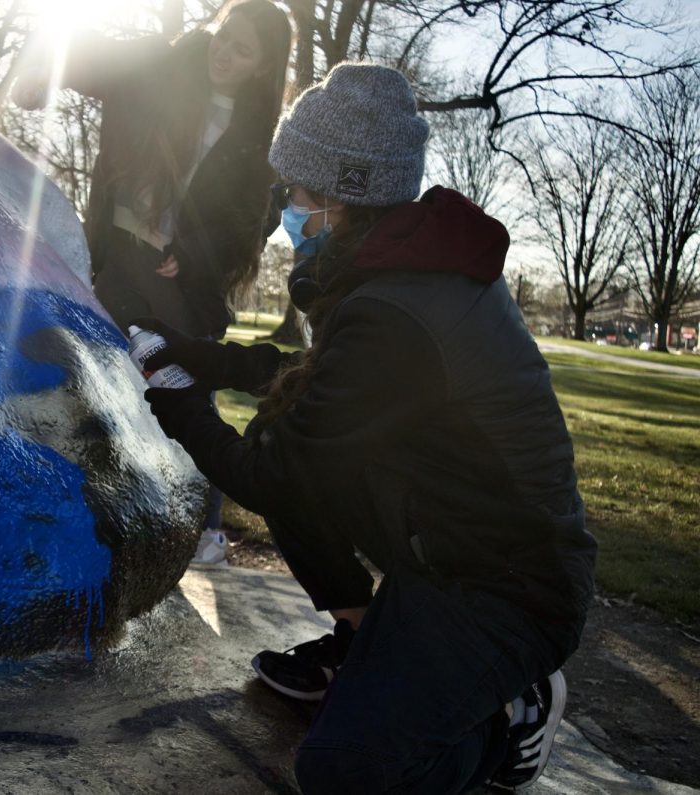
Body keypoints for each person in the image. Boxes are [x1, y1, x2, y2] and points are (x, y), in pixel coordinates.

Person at [137, 63, 597, 792]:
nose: (287, 210)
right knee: (294, 427)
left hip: (509, 588)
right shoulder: (395, 271)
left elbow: (273, 474)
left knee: (344, 770)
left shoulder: (400, 309)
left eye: (296, 193)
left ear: (342, 196)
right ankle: (362, 643)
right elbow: (316, 382)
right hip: (448, 544)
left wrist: (177, 397)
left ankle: (508, 720)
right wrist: (193, 351)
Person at [13, 0, 293, 561]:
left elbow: (251, 220)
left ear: (261, 66)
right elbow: (99, 64)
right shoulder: (163, 69)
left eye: (243, 50)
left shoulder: (263, 138)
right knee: (94, 376)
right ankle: (82, 510)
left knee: (185, 387)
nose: (225, 52)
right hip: (120, 255)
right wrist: (44, 73)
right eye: (225, 35)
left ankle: (208, 526)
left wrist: (193, 257)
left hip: (184, 282)